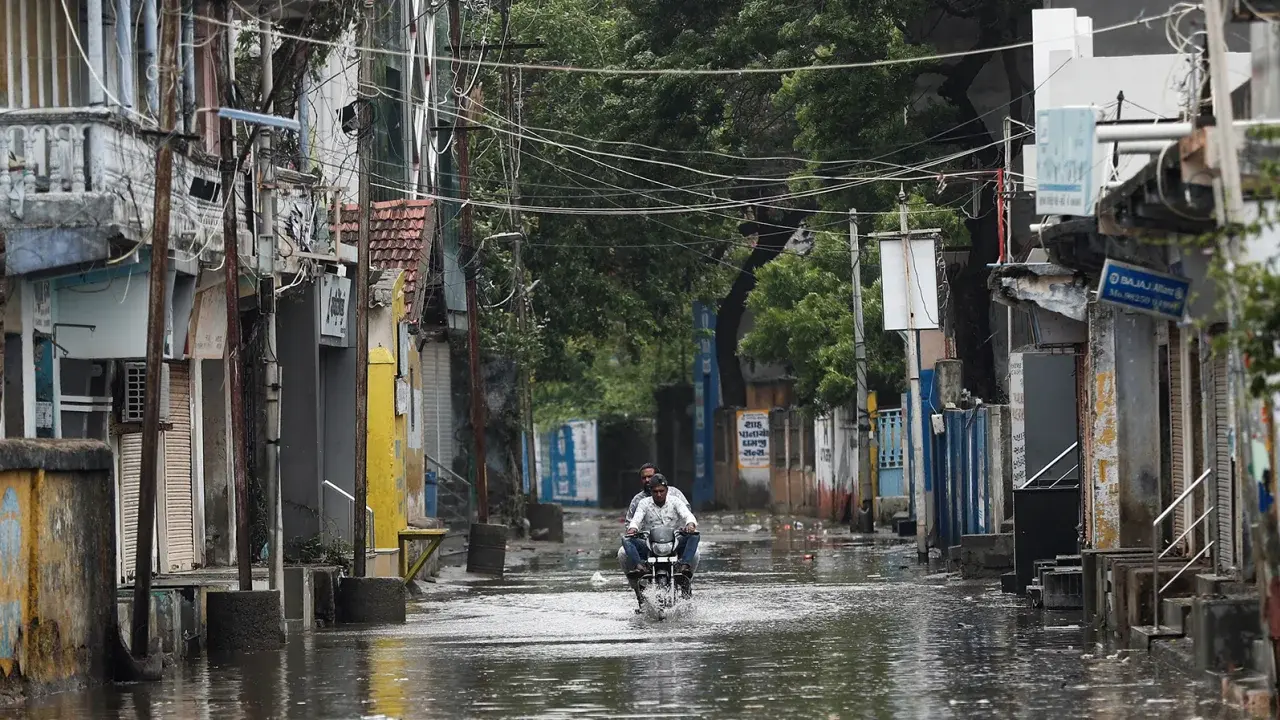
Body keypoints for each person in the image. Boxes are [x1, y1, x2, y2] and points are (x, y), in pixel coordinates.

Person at [618, 464, 690, 575]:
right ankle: (637, 582)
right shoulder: (639, 501)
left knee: (695, 553)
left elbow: (687, 514)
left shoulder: (675, 495)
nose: (647, 480)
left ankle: (686, 579)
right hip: (648, 543)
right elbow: (630, 523)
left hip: (674, 541)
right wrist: (634, 531)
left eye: (650, 477)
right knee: (622, 552)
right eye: (644, 478)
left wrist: (687, 527)